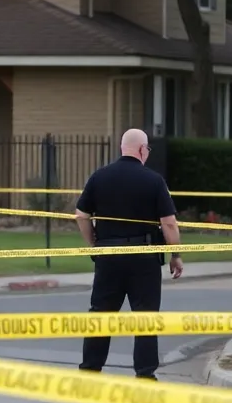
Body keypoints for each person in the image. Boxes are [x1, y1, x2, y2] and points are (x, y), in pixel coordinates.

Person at [74, 128, 184, 379]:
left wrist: (94, 242)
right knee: (145, 316)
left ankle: (90, 370)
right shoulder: (154, 181)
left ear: (123, 148)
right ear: (142, 150)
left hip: (108, 255)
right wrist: (175, 254)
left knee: (100, 313)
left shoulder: (99, 177)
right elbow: (168, 223)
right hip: (143, 257)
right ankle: (145, 374)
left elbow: (81, 215)